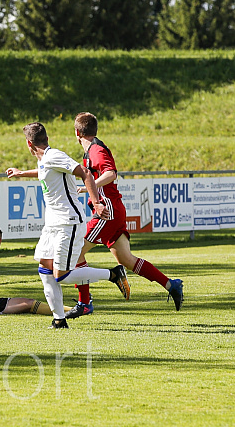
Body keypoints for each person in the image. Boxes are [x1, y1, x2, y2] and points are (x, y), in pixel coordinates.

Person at [6, 122, 130, 329]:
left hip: (68, 222)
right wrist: (20, 173)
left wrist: (97, 203)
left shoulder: (54, 156)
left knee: (61, 275)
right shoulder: (45, 160)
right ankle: (59, 320)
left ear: (29, 144)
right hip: (52, 225)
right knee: (45, 268)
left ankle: (113, 274)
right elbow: (44, 171)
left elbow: (86, 173)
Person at [66, 112, 184, 319]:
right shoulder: (92, 150)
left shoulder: (96, 150)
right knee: (127, 259)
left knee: (75, 252)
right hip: (115, 210)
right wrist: (88, 188)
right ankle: (170, 285)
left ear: (77, 132)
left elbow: (111, 173)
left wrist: (89, 186)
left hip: (107, 211)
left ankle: (85, 303)